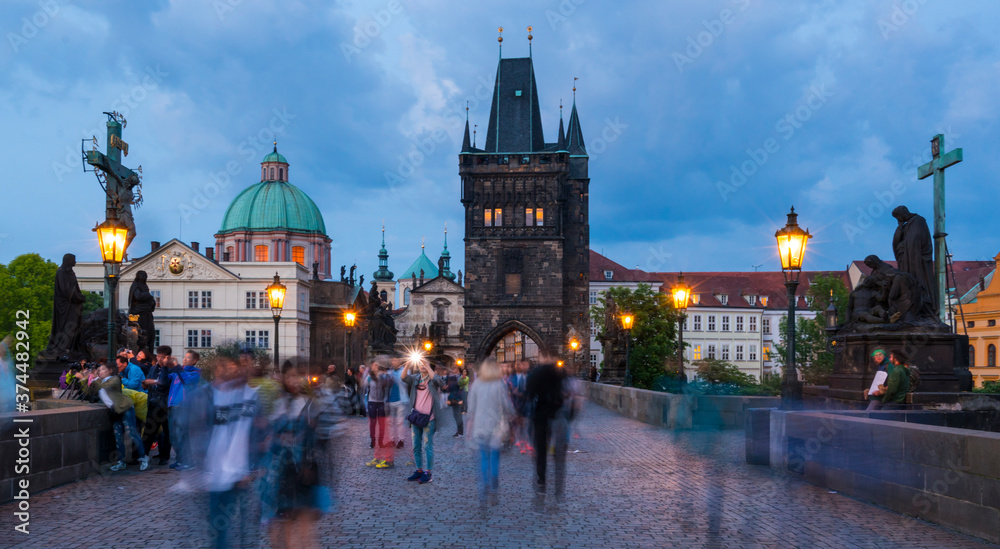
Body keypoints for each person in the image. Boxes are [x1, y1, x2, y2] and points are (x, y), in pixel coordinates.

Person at [186, 354, 265, 549]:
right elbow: (195, 430)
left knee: (247, 529)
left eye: (233, 368)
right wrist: (200, 467)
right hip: (215, 472)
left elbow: (261, 432)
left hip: (243, 471)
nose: (230, 372)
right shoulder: (206, 395)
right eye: (223, 368)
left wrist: (255, 466)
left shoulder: (252, 396)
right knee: (219, 528)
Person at [261, 362, 326, 549]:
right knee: (284, 522)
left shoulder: (309, 403)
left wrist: (309, 462)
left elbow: (318, 439)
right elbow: (270, 438)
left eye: (297, 376)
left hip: (304, 468)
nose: (293, 381)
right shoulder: (279, 403)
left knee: (305, 525)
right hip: (281, 469)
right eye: (289, 376)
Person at [77, 362, 148, 471]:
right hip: (115, 411)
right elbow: (88, 392)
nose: (100, 372)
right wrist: (84, 380)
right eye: (99, 370)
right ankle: (121, 462)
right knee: (118, 436)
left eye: (103, 369)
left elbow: (105, 386)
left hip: (125, 408)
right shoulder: (99, 382)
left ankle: (143, 458)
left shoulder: (114, 379)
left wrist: (95, 378)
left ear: (110, 371)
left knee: (132, 433)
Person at [466, 358, 514, 504]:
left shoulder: (476, 384)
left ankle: (484, 489)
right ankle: (494, 487)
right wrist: (512, 414)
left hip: (480, 427)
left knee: (483, 458)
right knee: (494, 458)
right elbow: (507, 405)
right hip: (496, 427)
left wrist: (469, 426)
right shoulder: (500, 384)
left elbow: (471, 408)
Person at [525, 360, 568, 495]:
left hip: (540, 417)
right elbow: (564, 394)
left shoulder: (535, 374)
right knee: (558, 451)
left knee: (541, 448)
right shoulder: (558, 374)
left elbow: (529, 395)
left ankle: (541, 478)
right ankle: (558, 481)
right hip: (556, 415)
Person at [402, 358, 445, 484]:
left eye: (424, 363)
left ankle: (428, 473)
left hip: (429, 419)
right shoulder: (416, 378)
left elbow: (440, 382)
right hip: (416, 417)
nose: (422, 365)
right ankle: (419, 470)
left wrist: (428, 366)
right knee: (416, 446)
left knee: (427, 446)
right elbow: (404, 378)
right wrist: (407, 365)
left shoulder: (432, 379)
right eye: (421, 364)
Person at [168, 350, 201, 470]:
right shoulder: (179, 371)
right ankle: (180, 459)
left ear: (194, 361)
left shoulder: (195, 373)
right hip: (172, 405)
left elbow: (186, 380)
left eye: (188, 358)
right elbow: (166, 378)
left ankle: (189, 462)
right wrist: (165, 364)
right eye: (185, 357)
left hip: (184, 406)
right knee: (174, 436)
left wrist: (177, 367)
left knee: (182, 434)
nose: (185, 359)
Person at [143, 345, 173, 465]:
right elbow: (147, 380)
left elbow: (166, 383)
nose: (159, 358)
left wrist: (154, 381)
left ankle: (164, 456)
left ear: (167, 357)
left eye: (161, 356)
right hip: (153, 402)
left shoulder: (171, 368)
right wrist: (145, 383)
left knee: (166, 432)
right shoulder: (153, 368)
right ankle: (144, 455)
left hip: (165, 404)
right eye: (158, 356)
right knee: (149, 431)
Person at [363, 357, 393, 468]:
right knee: (372, 423)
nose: (374, 367)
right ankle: (373, 441)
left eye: (376, 365)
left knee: (381, 424)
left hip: (381, 402)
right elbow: (365, 387)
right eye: (373, 365)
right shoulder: (369, 377)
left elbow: (388, 385)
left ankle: (380, 441)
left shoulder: (382, 377)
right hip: (371, 402)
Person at [386, 358, 409, 450]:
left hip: (401, 400)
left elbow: (404, 382)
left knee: (400, 422)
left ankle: (401, 440)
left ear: (400, 361)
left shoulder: (405, 371)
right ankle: (391, 440)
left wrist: (393, 377)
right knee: (390, 422)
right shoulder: (389, 372)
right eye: (393, 360)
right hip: (390, 400)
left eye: (396, 360)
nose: (393, 362)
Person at [444, 367, 465, 437]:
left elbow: (461, 388)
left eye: (454, 368)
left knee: (458, 415)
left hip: (459, 398)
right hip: (453, 397)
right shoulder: (452, 378)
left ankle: (460, 432)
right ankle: (459, 431)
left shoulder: (461, 378)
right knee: (455, 415)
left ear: (458, 370)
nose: (453, 369)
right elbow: (449, 388)